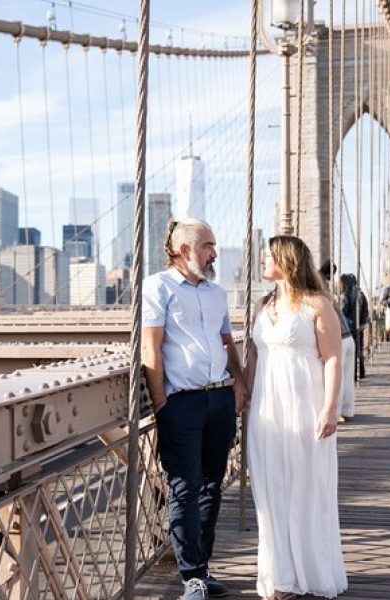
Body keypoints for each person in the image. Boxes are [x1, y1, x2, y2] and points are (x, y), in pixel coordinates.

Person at [142, 218, 247, 600]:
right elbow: (150, 349)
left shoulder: (217, 293)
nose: (214, 252)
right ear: (185, 249)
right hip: (181, 402)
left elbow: (227, 344)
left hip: (219, 399)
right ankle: (192, 577)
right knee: (184, 488)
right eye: (208, 245)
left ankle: (203, 567)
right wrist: (161, 405)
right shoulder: (157, 287)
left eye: (214, 245)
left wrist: (239, 381)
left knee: (210, 487)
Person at [246, 235, 348, 599]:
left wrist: (330, 409)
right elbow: (255, 357)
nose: (262, 259)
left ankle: (310, 572)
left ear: (286, 261)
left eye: (268, 255)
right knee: (271, 491)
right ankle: (279, 576)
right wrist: (243, 395)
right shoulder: (262, 305)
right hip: (266, 409)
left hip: (305, 406)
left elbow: (334, 358)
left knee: (306, 488)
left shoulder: (318, 305)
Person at [318, 262, 356, 419]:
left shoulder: (317, 296)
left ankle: (337, 412)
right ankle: (348, 411)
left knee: (336, 379)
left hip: (338, 340)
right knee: (347, 378)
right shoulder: (329, 296)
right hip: (348, 337)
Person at [341, 273, 369, 380]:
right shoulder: (361, 294)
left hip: (348, 326)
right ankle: (361, 371)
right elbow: (365, 311)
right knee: (359, 349)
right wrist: (363, 323)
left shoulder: (345, 295)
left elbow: (344, 309)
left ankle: (352, 374)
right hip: (358, 326)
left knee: (349, 351)